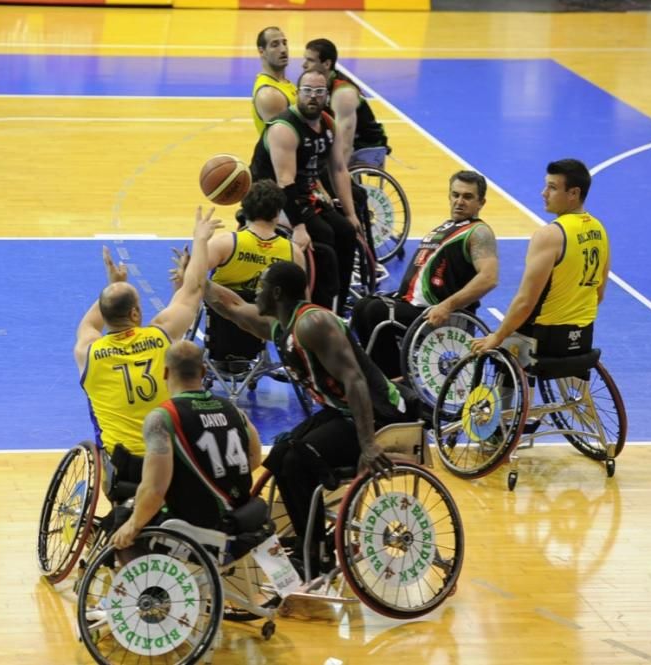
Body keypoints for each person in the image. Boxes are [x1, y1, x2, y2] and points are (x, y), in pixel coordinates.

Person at [205, 260, 412, 573]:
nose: (254, 293)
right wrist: (195, 279)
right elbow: (233, 308)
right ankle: (310, 539)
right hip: (342, 411)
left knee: (297, 461)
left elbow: (355, 380)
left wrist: (368, 444)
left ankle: (317, 553)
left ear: (276, 292)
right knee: (282, 452)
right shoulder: (281, 326)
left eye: (259, 287)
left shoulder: (313, 324)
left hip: (380, 414)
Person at [75, 207, 222, 483]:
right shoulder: (160, 337)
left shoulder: (88, 351)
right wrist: (200, 240)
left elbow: (90, 324)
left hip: (122, 467)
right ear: (135, 314)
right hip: (167, 461)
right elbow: (193, 289)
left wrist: (113, 286)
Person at [110, 340, 263, 549]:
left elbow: (154, 490)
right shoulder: (234, 410)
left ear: (165, 373)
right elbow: (254, 458)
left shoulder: (162, 418)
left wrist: (132, 525)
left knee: (119, 523)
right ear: (203, 371)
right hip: (243, 519)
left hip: (199, 528)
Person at [351, 171, 499, 378]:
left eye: (467, 197)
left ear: (481, 202)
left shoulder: (479, 232)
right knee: (362, 307)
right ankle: (385, 380)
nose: (459, 201)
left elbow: (489, 278)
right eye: (455, 195)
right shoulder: (446, 227)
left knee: (375, 311)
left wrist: (447, 305)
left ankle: (396, 385)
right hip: (413, 305)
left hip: (439, 315)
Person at [249, 70, 362, 316]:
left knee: (346, 232)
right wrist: (299, 227)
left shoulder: (328, 124)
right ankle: (318, 309)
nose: (313, 97)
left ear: (326, 96)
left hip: (306, 194)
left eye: (319, 92)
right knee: (324, 238)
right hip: (273, 199)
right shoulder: (285, 128)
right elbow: (285, 182)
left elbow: (339, 169)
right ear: (298, 93)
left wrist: (351, 214)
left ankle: (338, 305)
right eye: (308, 91)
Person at [471, 159, 609, 358]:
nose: (544, 193)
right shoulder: (599, 229)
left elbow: (526, 302)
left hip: (544, 337)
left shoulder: (550, 235)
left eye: (552, 188)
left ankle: (506, 389)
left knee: (494, 348)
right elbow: (600, 293)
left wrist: (498, 336)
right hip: (584, 336)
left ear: (574, 193)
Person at [203, 179, 307, 369]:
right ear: (277, 214)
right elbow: (301, 306)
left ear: (244, 211)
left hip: (220, 331)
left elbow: (191, 281)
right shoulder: (294, 253)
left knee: (202, 286)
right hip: (261, 333)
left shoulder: (225, 244)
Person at [301, 38, 390, 168]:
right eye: (305, 59)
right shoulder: (321, 86)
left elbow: (345, 145)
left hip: (365, 143)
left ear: (326, 64)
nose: (304, 65)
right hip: (339, 136)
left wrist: (332, 175)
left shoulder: (343, 94)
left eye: (310, 60)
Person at [252, 26, 296, 136]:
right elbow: (284, 139)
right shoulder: (269, 94)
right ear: (262, 51)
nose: (283, 49)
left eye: (284, 43)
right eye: (275, 45)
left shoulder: (283, 83)